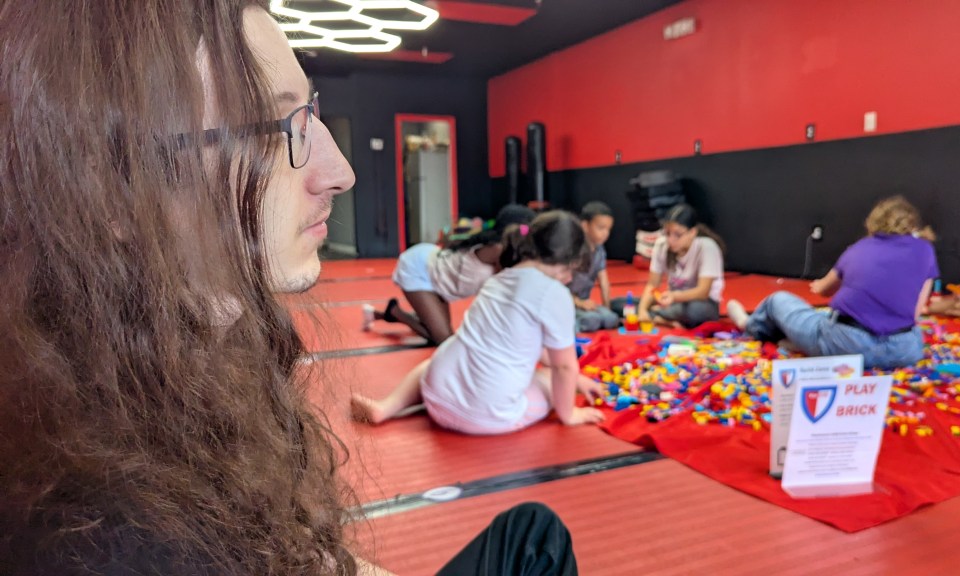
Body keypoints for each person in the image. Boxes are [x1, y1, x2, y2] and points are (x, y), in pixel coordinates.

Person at [0, 2, 577, 573]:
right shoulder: (114, 537)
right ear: (111, 193)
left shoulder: (197, 371)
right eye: (272, 130)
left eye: (309, 113)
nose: (340, 172)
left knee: (532, 531)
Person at [352, 211, 606, 434]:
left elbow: (527, 344)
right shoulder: (554, 293)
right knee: (549, 380)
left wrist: (579, 380)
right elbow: (564, 367)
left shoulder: (499, 279)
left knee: (432, 363)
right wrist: (569, 413)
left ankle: (386, 407)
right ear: (569, 261)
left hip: (436, 393)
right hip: (485, 416)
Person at [727, 196, 938, 369]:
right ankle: (799, 342)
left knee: (779, 301)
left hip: (848, 345)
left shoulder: (859, 248)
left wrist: (819, 285)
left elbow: (825, 290)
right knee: (828, 319)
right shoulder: (925, 250)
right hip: (903, 350)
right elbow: (915, 313)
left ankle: (750, 325)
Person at [364, 204, 536, 345]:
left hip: (440, 278)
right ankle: (396, 312)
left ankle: (385, 314)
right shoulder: (498, 250)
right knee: (443, 339)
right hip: (420, 270)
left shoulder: (506, 250)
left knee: (437, 330)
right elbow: (515, 280)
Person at [636, 203, 726, 328]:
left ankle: (659, 315)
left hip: (702, 303)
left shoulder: (707, 247)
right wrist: (642, 310)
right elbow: (652, 284)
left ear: (692, 232)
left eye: (678, 235)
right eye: (667, 233)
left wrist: (674, 296)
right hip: (673, 302)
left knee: (695, 311)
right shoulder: (662, 245)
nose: (671, 240)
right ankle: (662, 316)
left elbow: (703, 292)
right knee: (623, 304)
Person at [570, 201, 619, 332]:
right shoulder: (573, 250)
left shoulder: (600, 250)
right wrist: (579, 303)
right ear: (585, 226)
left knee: (611, 319)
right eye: (601, 228)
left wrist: (607, 308)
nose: (605, 233)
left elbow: (604, 282)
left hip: (584, 303)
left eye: (608, 229)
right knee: (592, 320)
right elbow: (559, 286)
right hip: (568, 302)